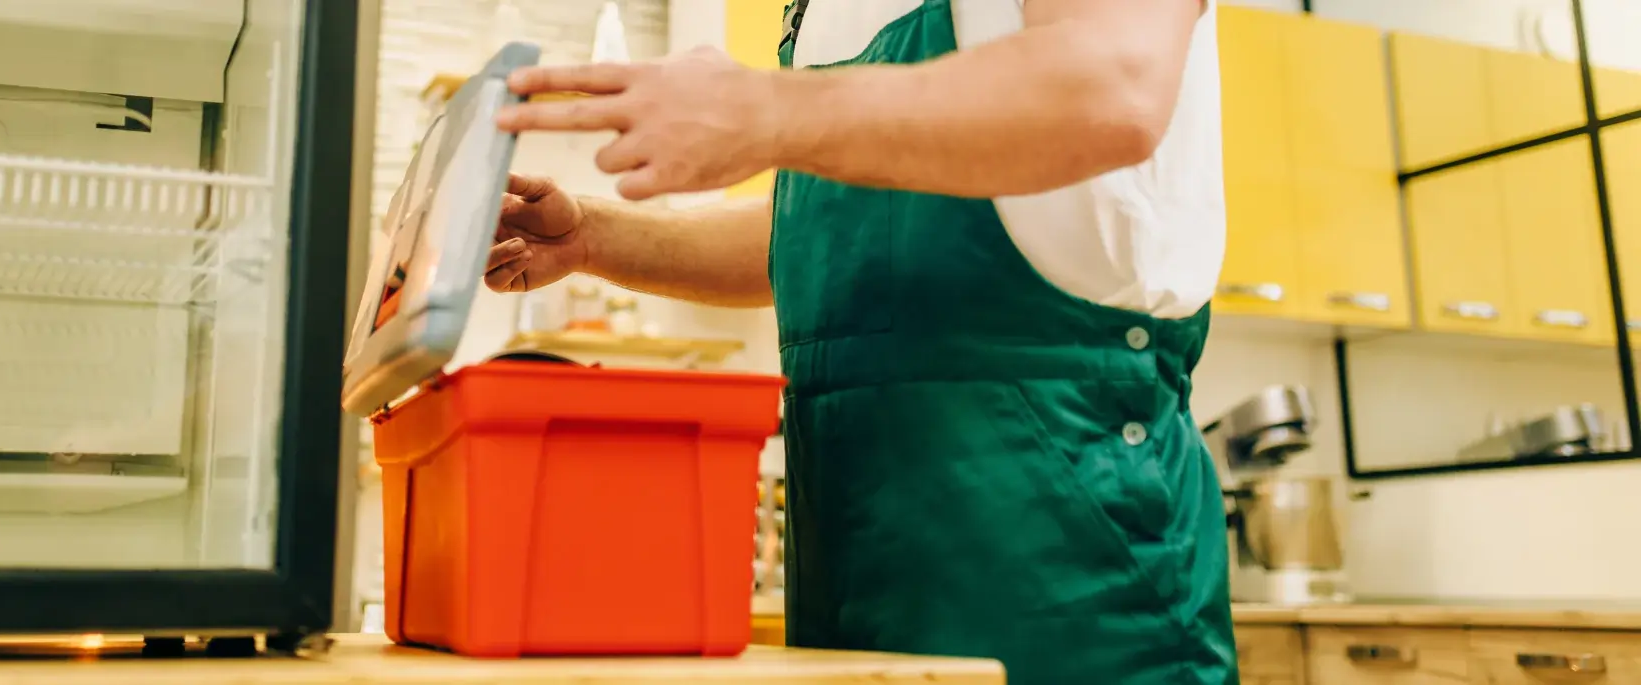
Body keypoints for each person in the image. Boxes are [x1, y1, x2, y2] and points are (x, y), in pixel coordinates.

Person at [483, 0, 1232, 682]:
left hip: (1066, 541)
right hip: (853, 554)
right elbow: (821, 228)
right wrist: (593, 238)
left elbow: (1112, 85)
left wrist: (762, 110)